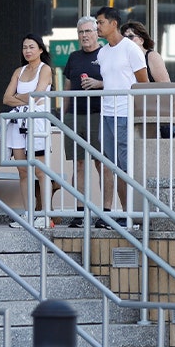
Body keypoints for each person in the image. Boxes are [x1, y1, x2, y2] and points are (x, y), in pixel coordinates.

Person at [95, 6, 149, 227]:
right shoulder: (103, 51)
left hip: (125, 114)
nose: (97, 26)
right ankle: (125, 213)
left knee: (127, 166)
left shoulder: (131, 49)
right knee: (112, 165)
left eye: (100, 22)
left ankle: (134, 214)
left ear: (113, 23)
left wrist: (138, 113)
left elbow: (142, 83)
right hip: (106, 113)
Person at [3, 34, 54, 227]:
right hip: (18, 121)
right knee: (22, 170)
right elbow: (6, 98)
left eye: (31, 47)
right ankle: (28, 213)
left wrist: (20, 97)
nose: (28, 51)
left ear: (40, 49)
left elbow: (39, 96)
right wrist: (27, 99)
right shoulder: (19, 70)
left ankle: (46, 215)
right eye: (25, 47)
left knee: (41, 170)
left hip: (38, 122)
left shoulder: (45, 69)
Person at [62, 16, 104, 228]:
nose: (85, 35)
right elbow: (68, 88)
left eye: (88, 31)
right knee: (78, 164)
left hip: (99, 115)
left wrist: (99, 84)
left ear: (97, 33)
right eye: (81, 32)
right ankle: (80, 213)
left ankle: (105, 213)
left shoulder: (106, 54)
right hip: (75, 116)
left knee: (102, 164)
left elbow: (119, 82)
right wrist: (63, 115)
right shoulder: (74, 57)